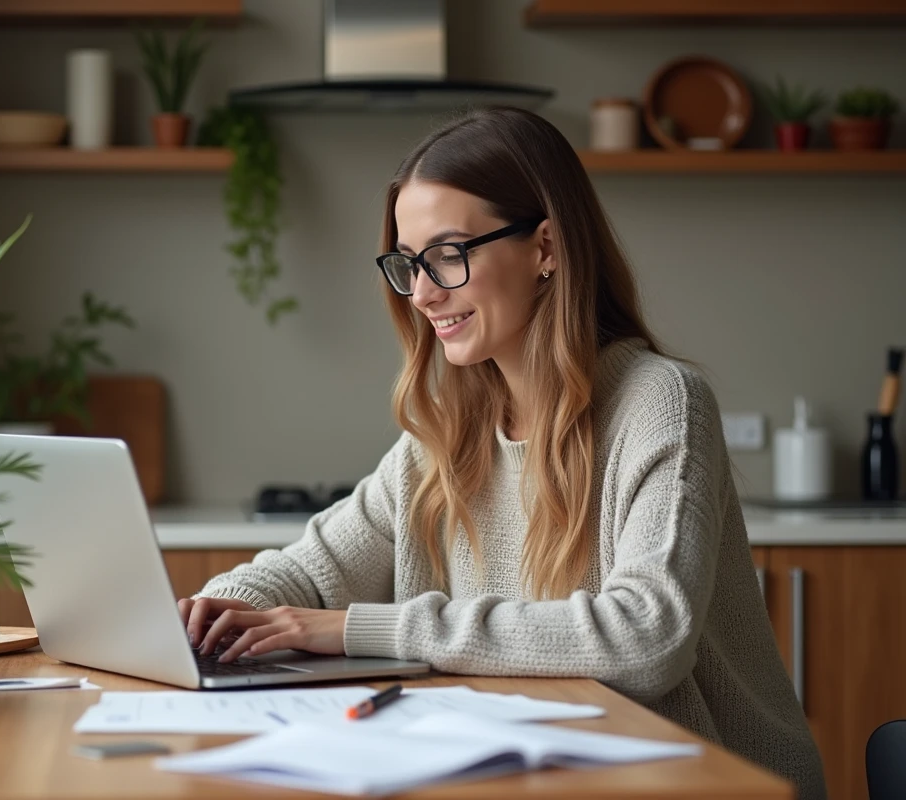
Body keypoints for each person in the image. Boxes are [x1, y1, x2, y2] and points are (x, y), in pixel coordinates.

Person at [177, 107, 825, 799]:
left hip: (696, 778)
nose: (423, 293)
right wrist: (212, 616)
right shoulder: (447, 435)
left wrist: (357, 629)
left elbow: (645, 639)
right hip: (541, 775)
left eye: (448, 256)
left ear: (545, 247)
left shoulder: (660, 402)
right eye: (408, 263)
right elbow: (309, 575)